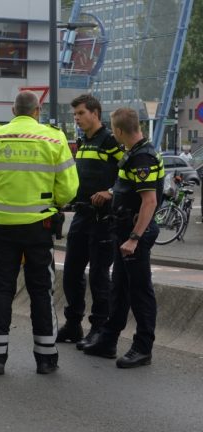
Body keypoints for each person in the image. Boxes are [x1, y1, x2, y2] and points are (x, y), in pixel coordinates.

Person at [0, 91, 78, 375]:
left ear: (12, 110)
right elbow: (68, 189)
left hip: (2, 226)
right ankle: (46, 358)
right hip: (38, 227)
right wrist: (50, 201)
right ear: (38, 111)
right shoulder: (54, 139)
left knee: (2, 287)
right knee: (40, 290)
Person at [81, 107, 163, 368]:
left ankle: (143, 348)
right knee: (120, 288)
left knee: (139, 291)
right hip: (123, 231)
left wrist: (135, 238)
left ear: (117, 131)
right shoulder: (135, 153)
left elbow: (149, 202)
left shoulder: (143, 158)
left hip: (134, 234)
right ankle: (108, 339)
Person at [57, 94, 123, 349]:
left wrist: (111, 191)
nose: (77, 119)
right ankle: (73, 324)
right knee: (71, 273)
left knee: (98, 276)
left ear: (95, 113)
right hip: (82, 215)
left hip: (103, 219)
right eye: (74, 115)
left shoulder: (110, 141)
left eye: (81, 114)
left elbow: (127, 172)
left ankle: (98, 328)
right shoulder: (84, 141)